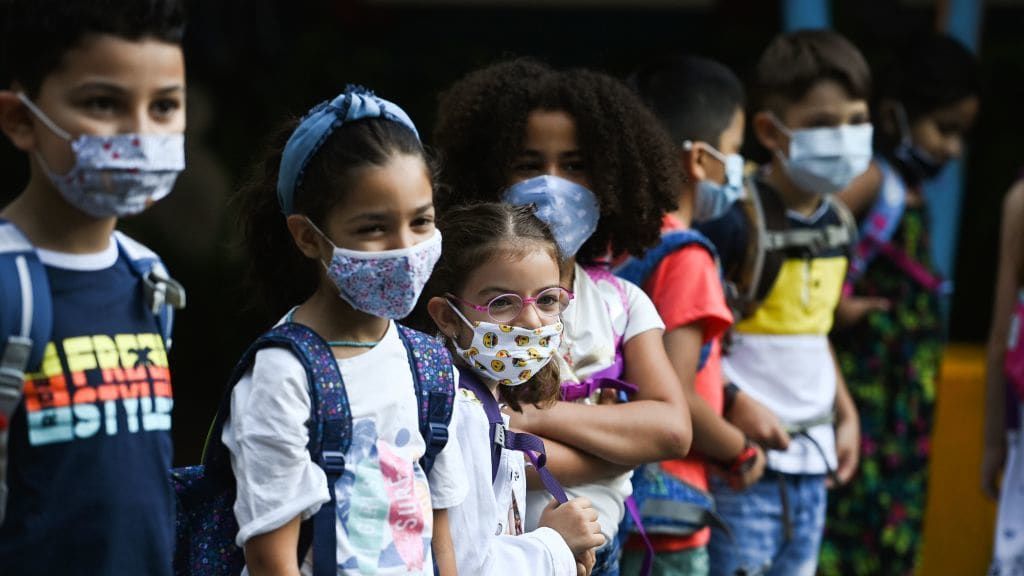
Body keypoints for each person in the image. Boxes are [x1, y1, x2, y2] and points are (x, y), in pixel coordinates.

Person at [434, 59, 693, 575]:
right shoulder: (460, 307)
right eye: (529, 164)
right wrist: (619, 445)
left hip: (599, 551)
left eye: (575, 165)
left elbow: (672, 430)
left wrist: (530, 417)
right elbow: (471, 451)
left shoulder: (623, 303)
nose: (552, 185)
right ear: (488, 171)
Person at [224, 86, 467, 575]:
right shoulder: (284, 375)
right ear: (309, 237)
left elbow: (439, 528)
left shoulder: (429, 364)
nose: (405, 248)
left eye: (421, 221)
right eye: (373, 228)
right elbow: (272, 558)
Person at [0, 1, 187, 574]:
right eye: (103, 104)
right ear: (21, 119)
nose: (140, 134)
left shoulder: (149, 278)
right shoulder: (10, 285)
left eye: (163, 107)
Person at [694, 30, 868, 576]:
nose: (845, 137)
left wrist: (845, 414)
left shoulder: (840, 223)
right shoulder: (732, 221)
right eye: (822, 124)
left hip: (813, 467)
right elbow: (692, 343)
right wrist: (730, 404)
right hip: (744, 468)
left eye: (856, 120)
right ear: (771, 130)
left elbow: (814, 335)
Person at [822, 33, 981, 576]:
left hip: (902, 417)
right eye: (945, 129)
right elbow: (804, 256)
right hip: (863, 403)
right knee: (852, 536)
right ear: (897, 114)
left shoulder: (911, 194)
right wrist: (836, 312)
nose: (952, 149)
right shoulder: (872, 181)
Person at [619, 54, 768, 576]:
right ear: (700, 161)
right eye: (733, 151)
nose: (739, 168)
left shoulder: (624, 242)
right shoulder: (687, 256)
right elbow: (674, 394)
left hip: (622, 501)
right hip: (671, 513)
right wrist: (740, 451)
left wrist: (731, 397)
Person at [416, 202, 606, 576]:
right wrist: (555, 543)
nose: (532, 320)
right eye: (502, 303)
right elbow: (468, 565)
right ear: (446, 316)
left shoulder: (479, 400)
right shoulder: (461, 412)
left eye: (548, 299)